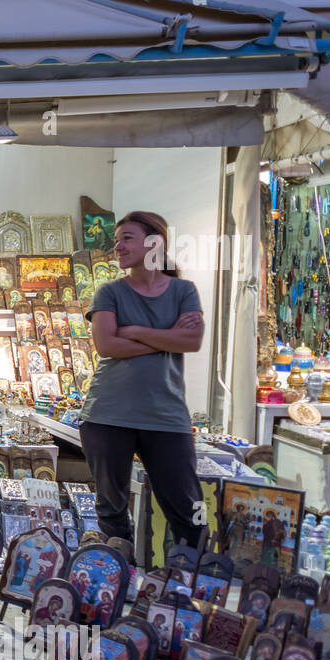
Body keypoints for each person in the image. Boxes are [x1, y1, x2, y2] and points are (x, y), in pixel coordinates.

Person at [78, 211, 206, 559]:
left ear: (155, 243)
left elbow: (192, 341)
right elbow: (106, 346)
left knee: (190, 507)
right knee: (111, 509)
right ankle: (120, 578)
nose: (117, 246)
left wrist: (132, 332)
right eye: (116, 240)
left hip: (166, 416)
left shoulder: (183, 291)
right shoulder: (109, 292)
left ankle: (194, 581)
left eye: (126, 238)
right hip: (108, 414)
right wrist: (168, 338)